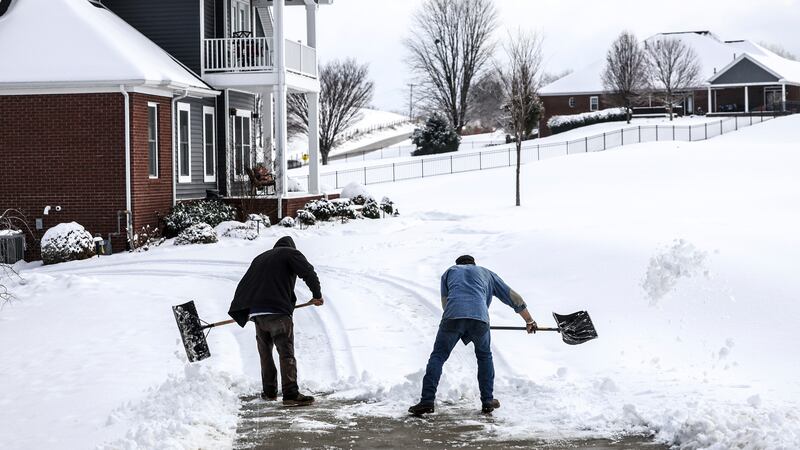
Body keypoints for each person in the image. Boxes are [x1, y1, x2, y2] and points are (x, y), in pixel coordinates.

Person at [409, 255, 537, 416]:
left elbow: (445, 302)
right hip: (480, 319)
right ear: (473, 264)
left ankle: (427, 401)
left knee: (438, 357)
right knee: (484, 356)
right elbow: (513, 298)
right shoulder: (486, 273)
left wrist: (460, 323)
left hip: (452, 317)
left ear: (458, 264)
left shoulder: (449, 272)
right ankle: (487, 400)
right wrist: (529, 320)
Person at [228, 236, 323, 407]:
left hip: (257, 313)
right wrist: (317, 295)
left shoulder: (260, 258)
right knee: (286, 352)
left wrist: (244, 310)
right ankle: (291, 393)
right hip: (278, 313)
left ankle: (269, 392)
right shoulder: (291, 253)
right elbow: (308, 272)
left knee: (265, 354)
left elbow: (244, 284)